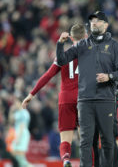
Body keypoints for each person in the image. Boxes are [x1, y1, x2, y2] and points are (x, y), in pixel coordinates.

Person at [56, 11, 118, 167]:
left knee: (108, 140)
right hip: (85, 101)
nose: (94, 23)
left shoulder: (115, 46)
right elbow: (62, 60)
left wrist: (109, 76)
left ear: (106, 25)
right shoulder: (82, 44)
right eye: (92, 21)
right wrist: (60, 44)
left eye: (98, 20)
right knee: (86, 142)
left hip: (106, 99)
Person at [22, 23, 86, 167]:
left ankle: (66, 159)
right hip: (83, 98)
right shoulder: (90, 54)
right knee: (85, 138)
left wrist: (31, 94)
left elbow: (48, 75)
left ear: (70, 37)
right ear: (85, 36)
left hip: (65, 99)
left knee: (65, 138)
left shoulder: (62, 55)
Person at [9, 97, 31, 167]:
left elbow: (22, 126)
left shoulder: (24, 113)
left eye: (16, 102)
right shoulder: (17, 113)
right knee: (14, 152)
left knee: (19, 154)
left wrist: (18, 138)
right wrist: (10, 110)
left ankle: (28, 165)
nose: (15, 104)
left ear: (21, 102)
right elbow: (10, 121)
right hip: (17, 133)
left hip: (22, 134)